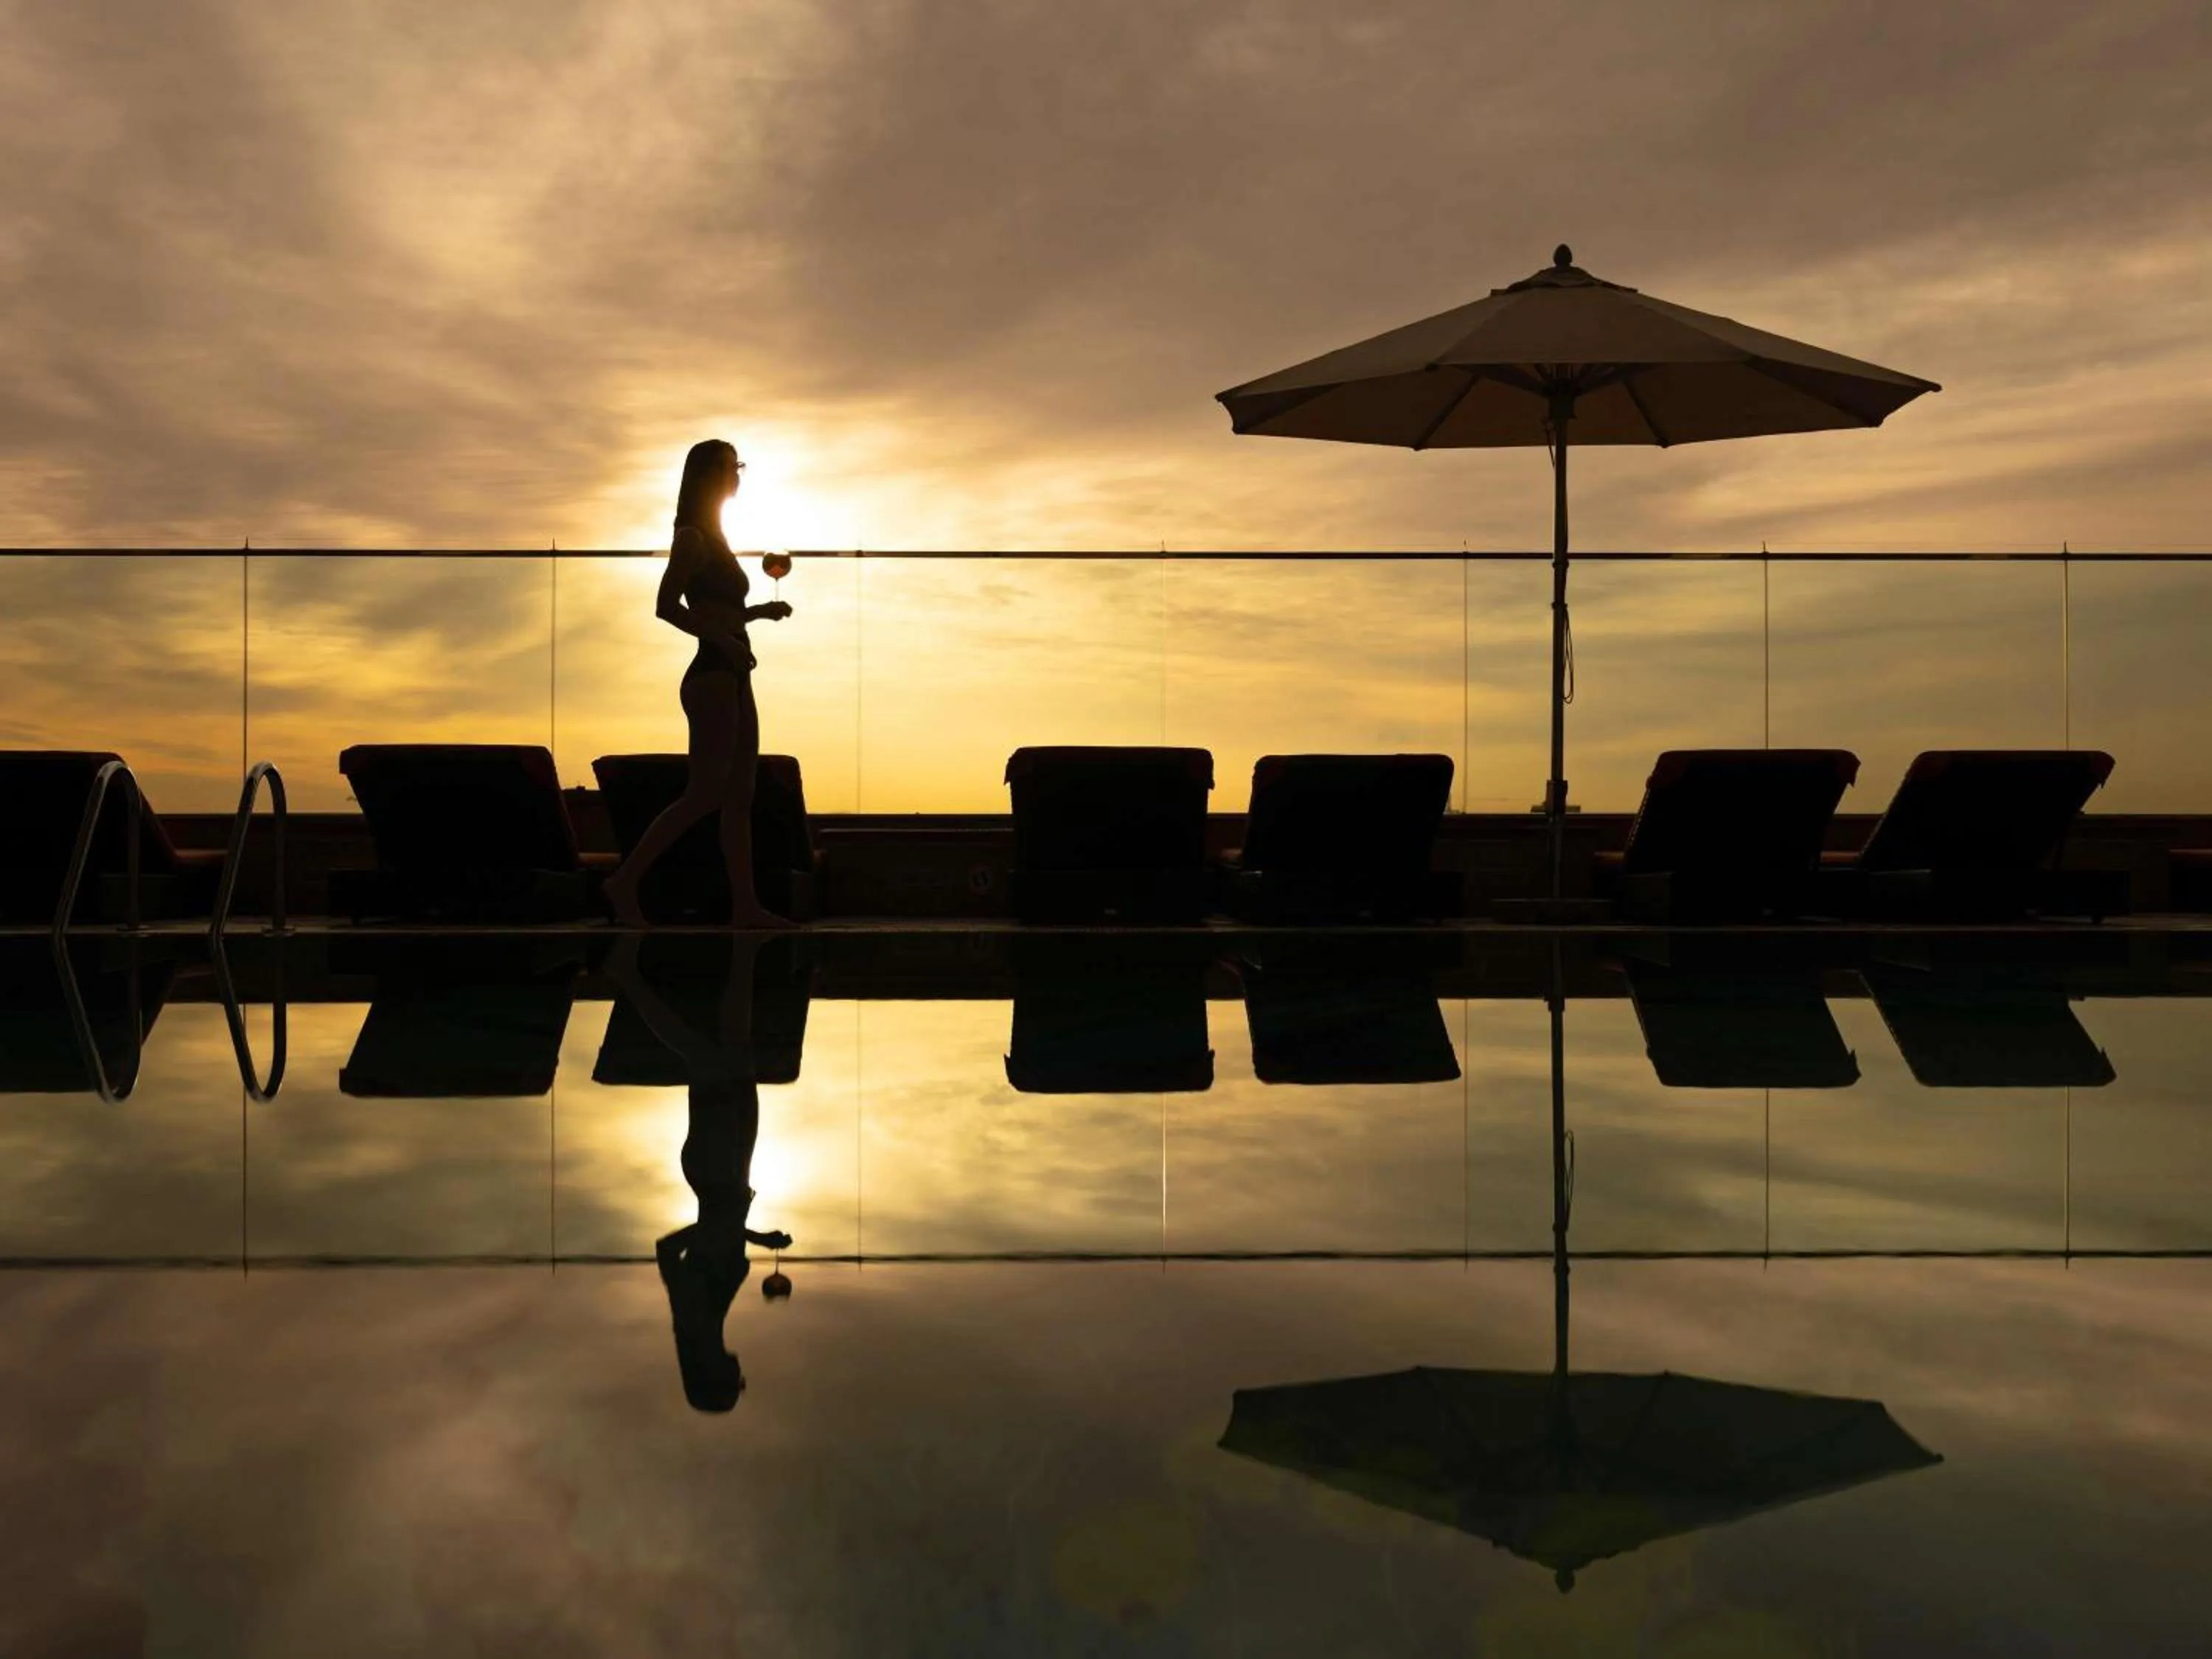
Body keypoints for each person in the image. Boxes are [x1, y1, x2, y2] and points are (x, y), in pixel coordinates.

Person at [602, 439, 795, 928]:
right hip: (711, 673)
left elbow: (722, 611)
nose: (737, 476)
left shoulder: (719, 538)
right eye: (731, 467)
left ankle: (746, 906)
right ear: (709, 474)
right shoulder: (692, 537)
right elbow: (667, 607)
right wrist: (724, 641)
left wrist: (757, 613)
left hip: (735, 669)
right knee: (707, 791)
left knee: (739, 795)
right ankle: (625, 882)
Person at [605, 933, 793, 1413]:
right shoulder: (707, 1322)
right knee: (732, 1052)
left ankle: (631, 975)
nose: (740, 1372)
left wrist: (729, 1225)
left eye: (733, 1381)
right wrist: (754, 1236)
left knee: (710, 1059)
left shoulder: (694, 1321)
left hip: (715, 1169)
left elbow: (671, 1248)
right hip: (728, 1172)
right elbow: (717, 1239)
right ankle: (741, 947)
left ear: (712, 1375)